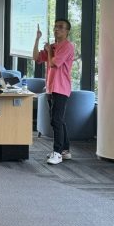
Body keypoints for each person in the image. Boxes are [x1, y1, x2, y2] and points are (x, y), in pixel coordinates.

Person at [33, 20, 75, 165]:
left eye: (61, 27)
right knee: (58, 120)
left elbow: (53, 63)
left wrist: (49, 50)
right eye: (56, 27)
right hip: (51, 88)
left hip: (61, 88)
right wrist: (37, 39)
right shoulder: (53, 46)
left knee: (56, 120)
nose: (57, 29)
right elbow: (36, 57)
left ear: (67, 31)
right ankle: (65, 150)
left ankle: (57, 153)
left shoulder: (67, 47)